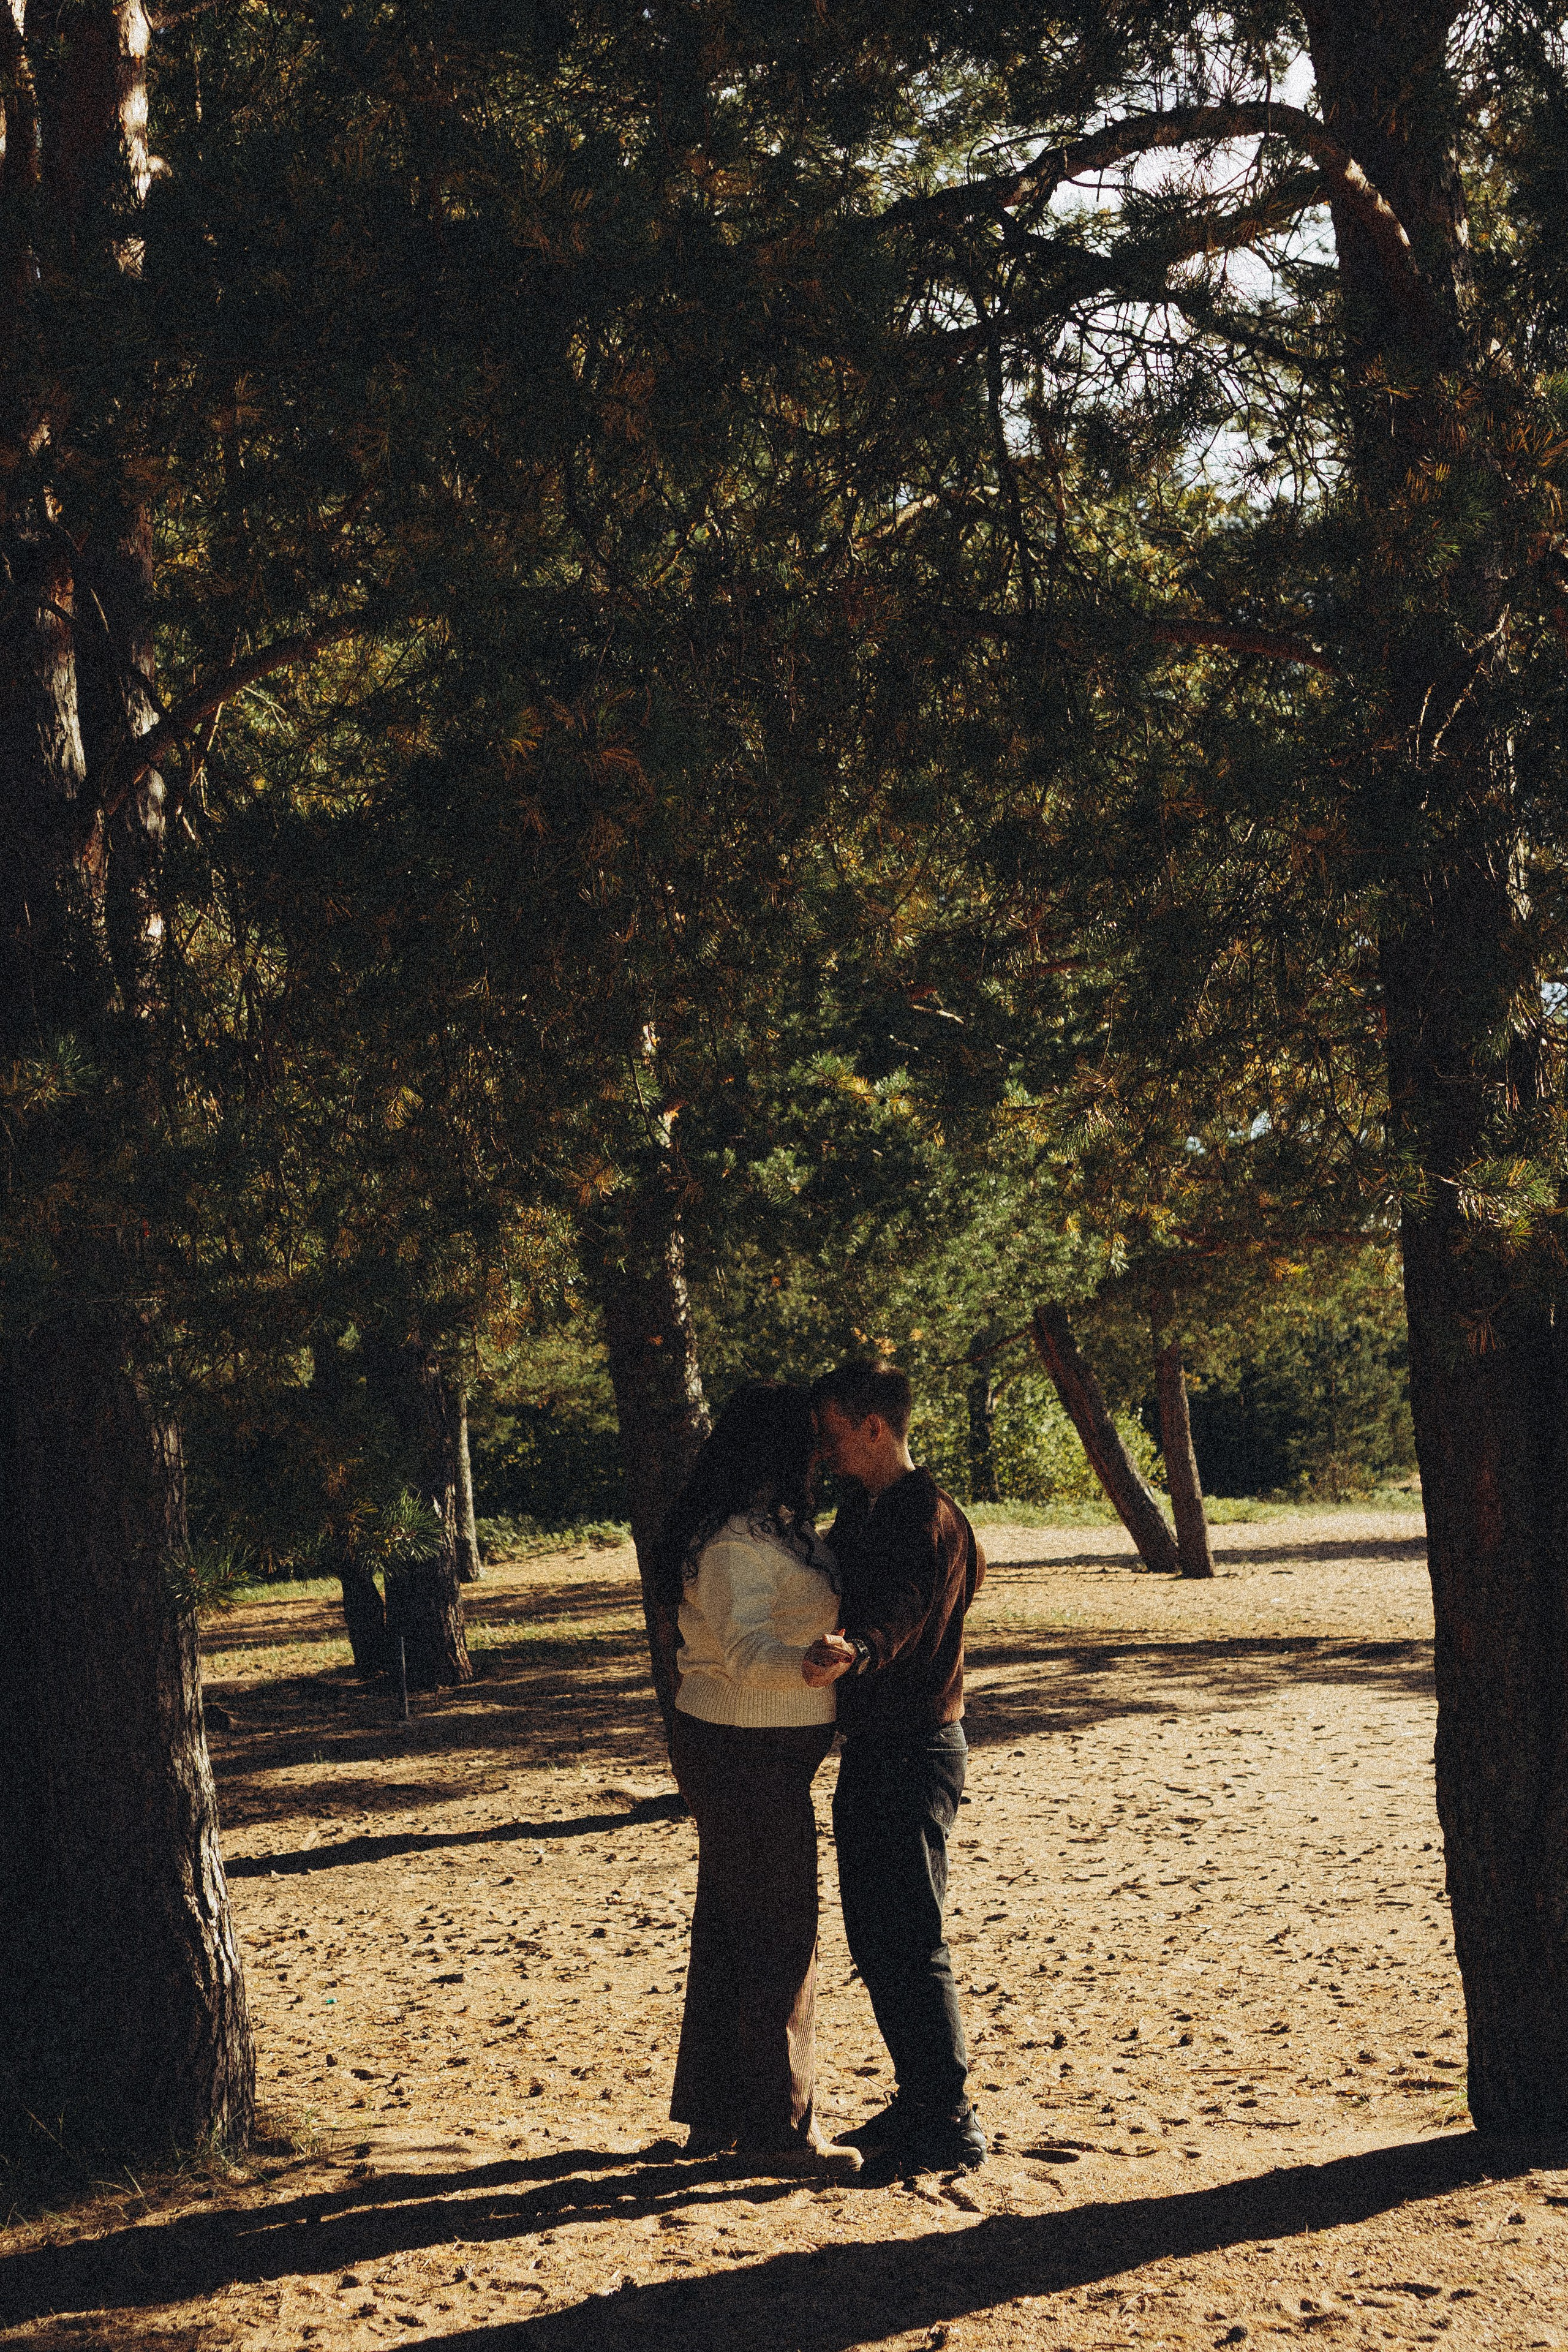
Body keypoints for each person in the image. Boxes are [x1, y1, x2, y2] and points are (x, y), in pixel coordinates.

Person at [654, 1381, 861, 2179]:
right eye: (811, 1439)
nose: (822, 1452)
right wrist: (820, 1669)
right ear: (775, 1448)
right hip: (745, 1746)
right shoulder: (736, 1542)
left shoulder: (774, 1529)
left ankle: (716, 2112)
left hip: (756, 1746)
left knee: (734, 1925)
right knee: (782, 1931)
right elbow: (743, 1656)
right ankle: (780, 2131)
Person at [804, 1359, 987, 2173]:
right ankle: (919, 2101)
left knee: (911, 1937)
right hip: (877, 1749)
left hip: (917, 1752)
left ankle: (950, 2120)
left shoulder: (928, 1521)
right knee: (877, 1939)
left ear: (873, 1429)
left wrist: (858, 1650)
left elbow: (907, 1614)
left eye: (836, 1435)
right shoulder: (866, 1511)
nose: (828, 1452)